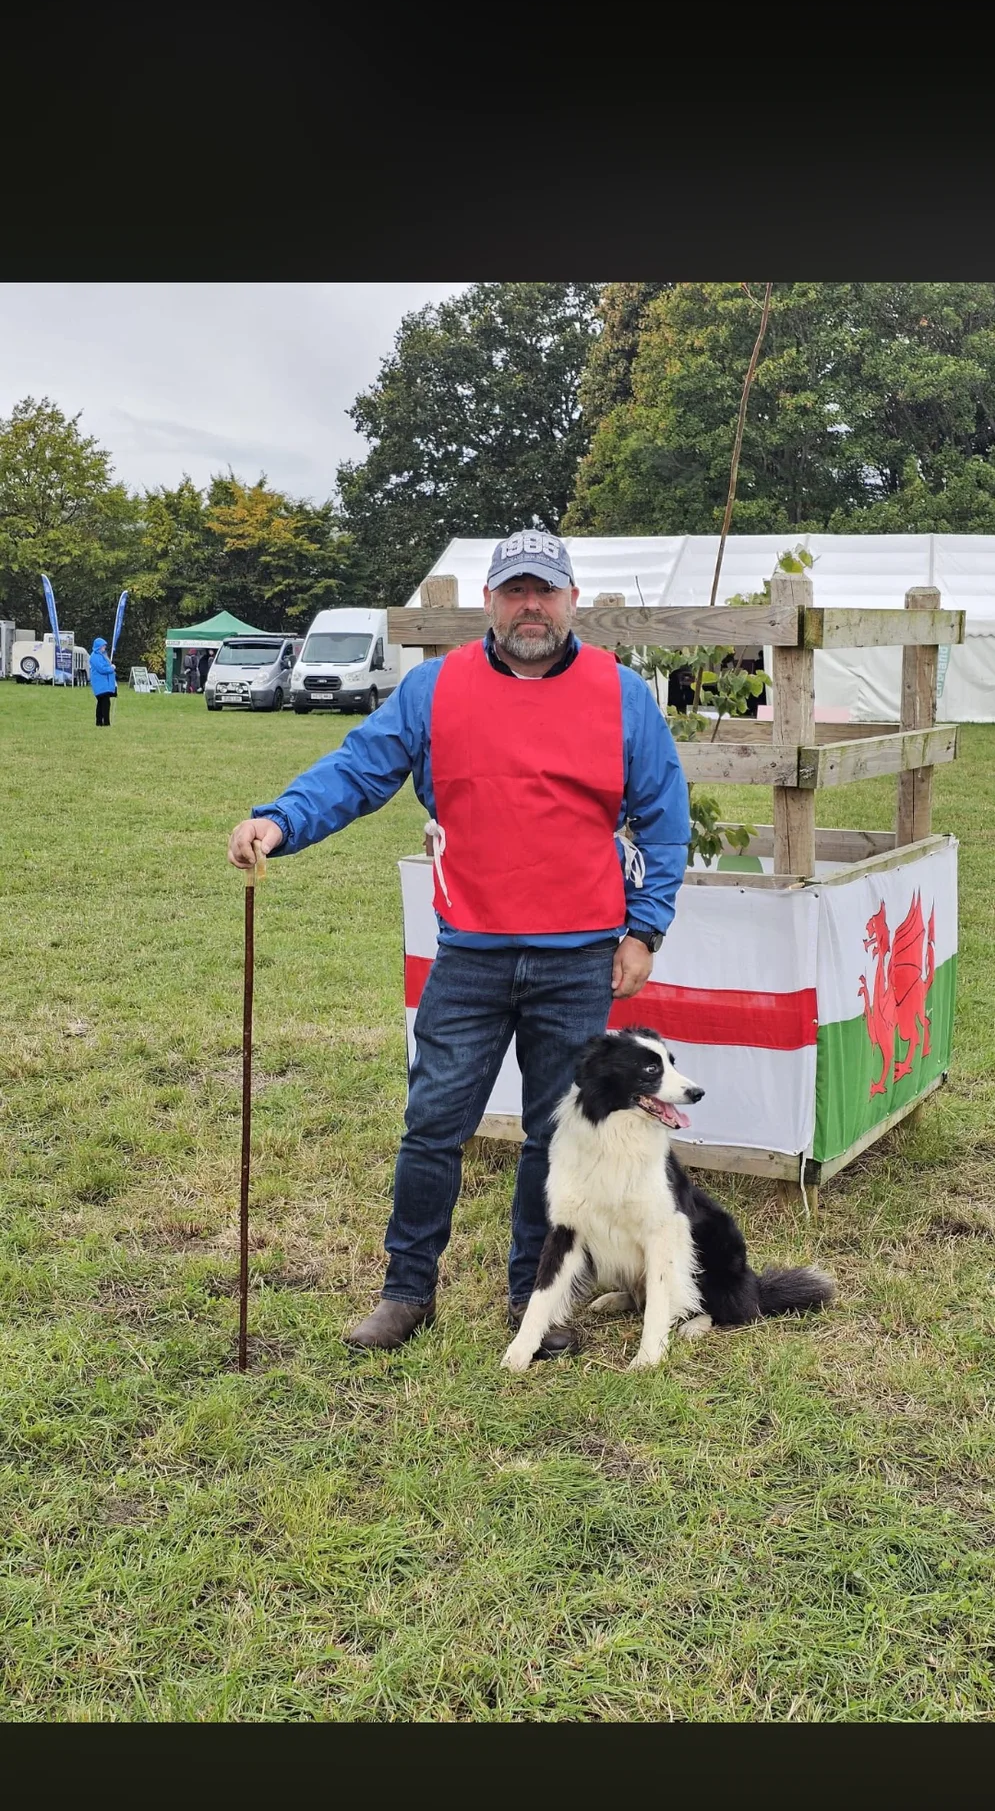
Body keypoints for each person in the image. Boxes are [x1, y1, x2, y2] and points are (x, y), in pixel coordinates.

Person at [227, 529, 691, 1356]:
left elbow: (664, 815)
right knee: (433, 1123)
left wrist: (645, 927)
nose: (530, 606)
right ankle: (407, 1290)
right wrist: (281, 820)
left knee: (555, 1136)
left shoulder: (621, 694)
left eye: (544, 590)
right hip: (472, 951)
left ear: (572, 600)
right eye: (515, 591)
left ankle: (533, 1297)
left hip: (580, 955)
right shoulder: (434, 689)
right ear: (489, 601)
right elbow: (359, 769)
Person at [88, 635, 118, 726]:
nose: (105, 647)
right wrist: (111, 668)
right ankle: (106, 723)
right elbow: (101, 669)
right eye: (103, 645)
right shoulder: (95, 656)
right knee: (105, 703)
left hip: (104, 684)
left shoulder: (102, 655)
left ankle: (99, 722)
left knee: (101, 703)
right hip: (100, 683)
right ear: (99, 646)